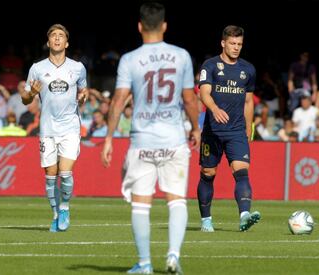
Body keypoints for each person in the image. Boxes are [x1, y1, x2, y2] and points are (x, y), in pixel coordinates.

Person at [101, 2, 200, 274]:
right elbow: (190, 99)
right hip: (174, 139)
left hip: (142, 140)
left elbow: (119, 100)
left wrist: (109, 137)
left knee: (140, 204)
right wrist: (196, 128)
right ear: (165, 26)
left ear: (140, 26)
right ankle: (173, 255)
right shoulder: (181, 56)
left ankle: (144, 263)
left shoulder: (129, 59)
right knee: (177, 199)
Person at [20, 24, 88, 232]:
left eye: (61, 36)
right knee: (51, 174)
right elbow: (24, 99)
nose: (57, 39)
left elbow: (83, 90)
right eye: (53, 36)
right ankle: (56, 214)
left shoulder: (77, 67)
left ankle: (65, 208)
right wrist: (31, 93)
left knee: (65, 172)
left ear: (66, 43)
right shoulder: (37, 68)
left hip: (70, 127)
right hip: (47, 128)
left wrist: (83, 96)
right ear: (48, 42)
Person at [197, 25, 260, 233]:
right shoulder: (211, 65)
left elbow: (249, 101)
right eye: (232, 43)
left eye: (239, 44)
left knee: (241, 171)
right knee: (208, 172)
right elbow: (203, 93)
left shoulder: (248, 69)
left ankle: (244, 216)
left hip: (236, 131)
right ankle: (206, 220)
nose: (236, 48)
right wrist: (213, 108)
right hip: (212, 131)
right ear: (223, 43)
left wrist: (249, 128)